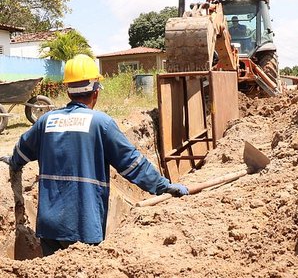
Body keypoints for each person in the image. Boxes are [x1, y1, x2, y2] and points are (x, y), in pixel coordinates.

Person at [0, 54, 188, 256]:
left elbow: (21, 150)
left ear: (68, 90)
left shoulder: (47, 120)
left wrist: (13, 163)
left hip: (49, 225)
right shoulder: (101, 124)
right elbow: (132, 164)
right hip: (84, 224)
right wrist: (163, 186)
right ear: (95, 92)